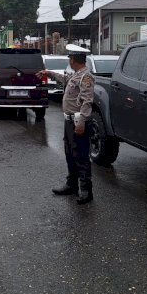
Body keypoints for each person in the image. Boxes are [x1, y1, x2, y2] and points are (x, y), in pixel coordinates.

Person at [37, 44, 96, 204]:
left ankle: (86, 191)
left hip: (78, 122)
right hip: (69, 121)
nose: (69, 60)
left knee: (81, 156)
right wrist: (48, 73)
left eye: (70, 57)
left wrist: (82, 122)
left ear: (74, 59)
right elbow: (65, 79)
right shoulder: (77, 75)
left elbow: (87, 101)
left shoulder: (86, 77)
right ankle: (71, 185)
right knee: (70, 154)